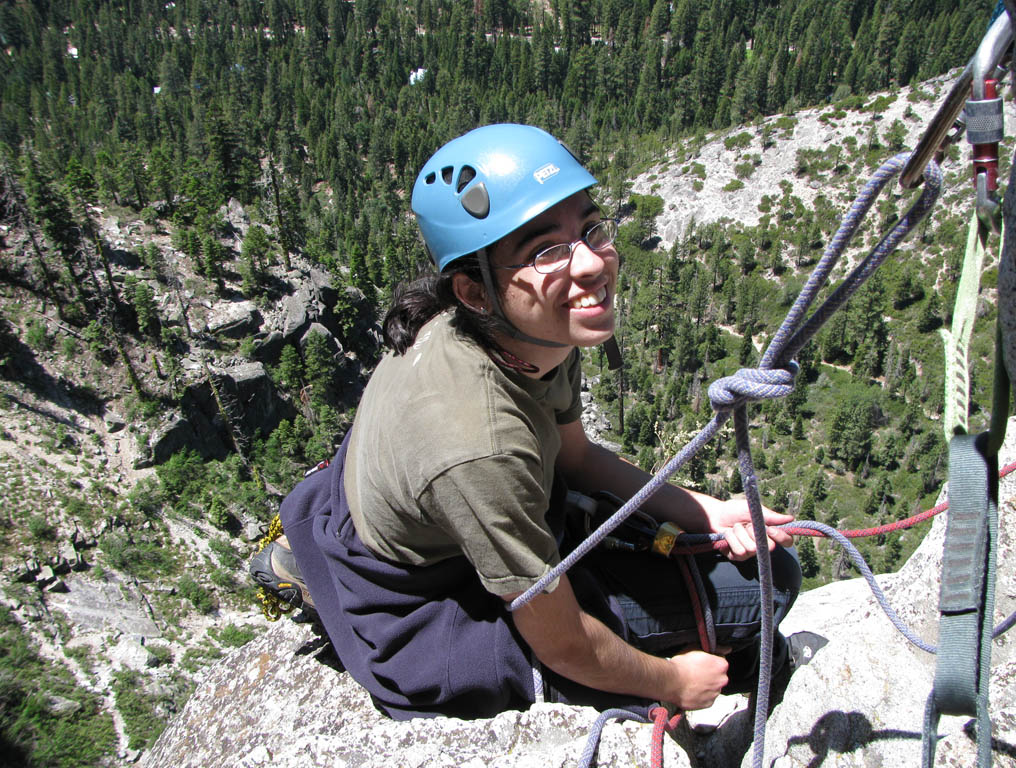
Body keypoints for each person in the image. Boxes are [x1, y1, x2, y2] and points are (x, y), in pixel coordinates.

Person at [252, 123, 803, 720]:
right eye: (546, 251)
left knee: (757, 571)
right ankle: (735, 666)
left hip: (442, 519)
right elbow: (562, 641)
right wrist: (671, 681)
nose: (592, 263)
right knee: (771, 588)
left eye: (592, 229)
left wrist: (704, 510)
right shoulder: (478, 443)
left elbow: (577, 460)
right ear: (475, 292)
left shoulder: (529, 339)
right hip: (431, 591)